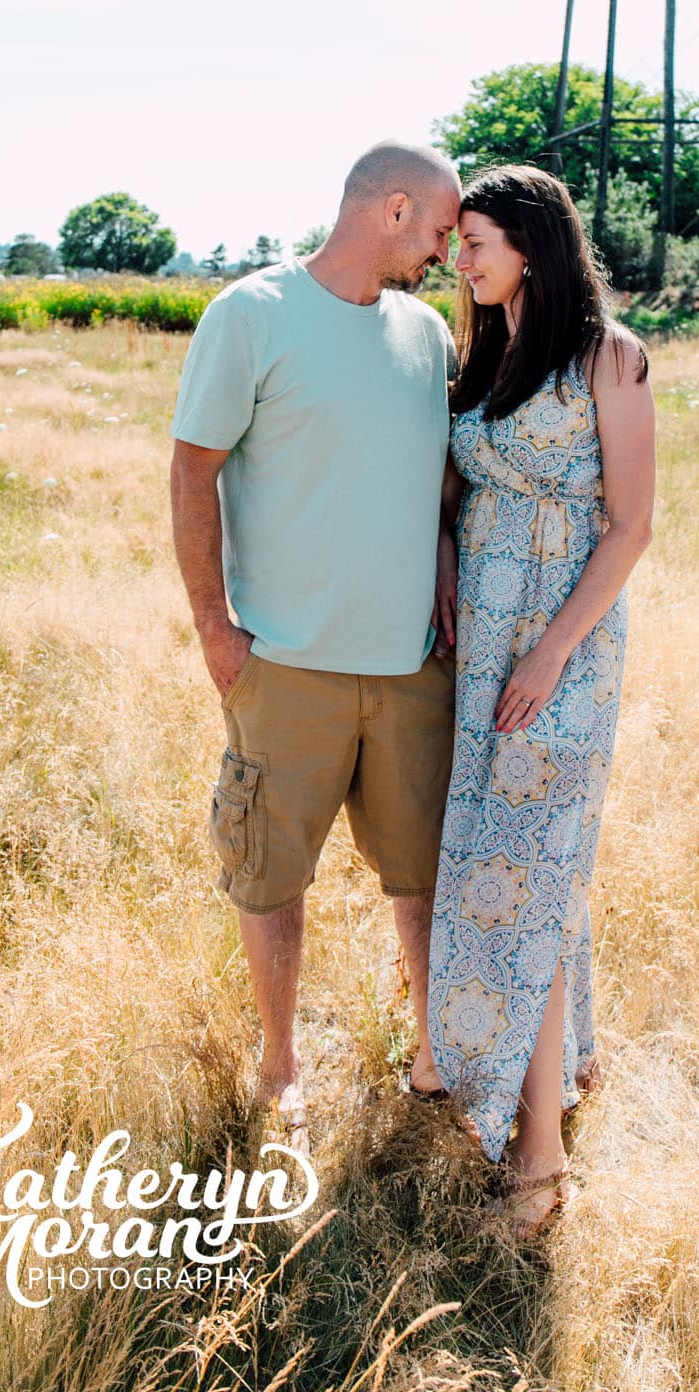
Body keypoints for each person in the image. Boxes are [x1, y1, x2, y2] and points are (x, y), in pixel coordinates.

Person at [169, 141, 462, 1151]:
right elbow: (191, 470)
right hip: (285, 664)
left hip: (411, 666)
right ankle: (281, 1064)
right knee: (270, 873)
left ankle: (435, 1054)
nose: (443, 250)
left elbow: (438, 488)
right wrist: (216, 626)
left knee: (419, 873)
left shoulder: (428, 336)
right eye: (435, 228)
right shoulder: (250, 315)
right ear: (391, 208)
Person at [424, 163, 657, 1237]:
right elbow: (454, 491)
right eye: (458, 240)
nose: (458, 258)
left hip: (559, 652)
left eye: (476, 240)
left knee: (530, 865)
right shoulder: (481, 356)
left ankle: (540, 1162)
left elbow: (630, 526)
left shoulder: (606, 358)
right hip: (481, 647)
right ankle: (562, 1064)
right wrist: (447, 580)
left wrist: (549, 653)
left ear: (533, 244)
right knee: (517, 863)